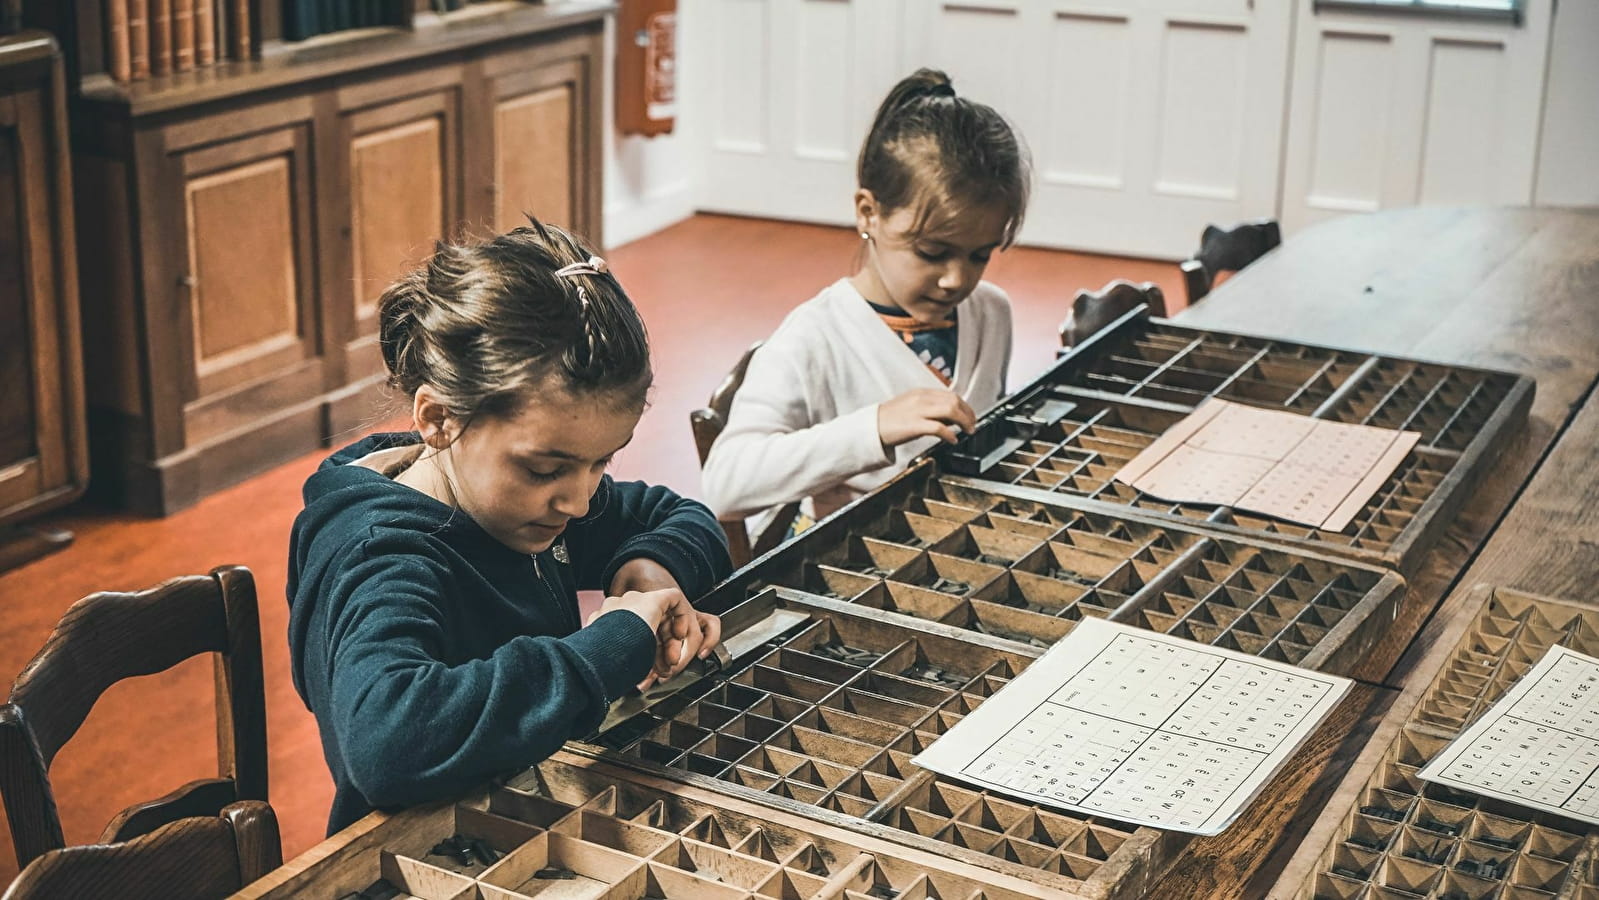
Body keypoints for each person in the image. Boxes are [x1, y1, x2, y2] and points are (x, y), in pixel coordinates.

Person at [287, 219, 731, 833]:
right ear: (440, 419)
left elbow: (682, 516)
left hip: (532, 812)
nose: (578, 501)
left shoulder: (528, 498)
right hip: (419, 852)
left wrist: (650, 568)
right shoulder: (381, 556)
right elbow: (387, 744)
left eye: (603, 460)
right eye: (547, 468)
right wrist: (606, 650)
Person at [701, 68, 1031, 537]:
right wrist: (873, 427)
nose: (956, 279)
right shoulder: (814, 338)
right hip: (849, 565)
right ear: (868, 213)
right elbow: (725, 483)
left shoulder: (992, 312)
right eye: (932, 252)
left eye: (980, 255)